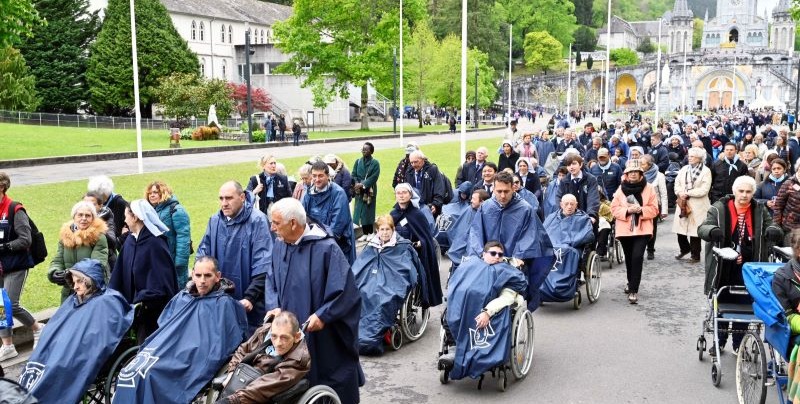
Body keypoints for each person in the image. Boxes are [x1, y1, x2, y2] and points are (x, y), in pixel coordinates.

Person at [266, 198, 364, 404]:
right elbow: (271, 279)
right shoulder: (279, 245)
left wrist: (323, 315)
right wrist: (274, 306)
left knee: (324, 376)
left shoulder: (326, 249)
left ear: (293, 223)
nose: (272, 228)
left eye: (276, 223)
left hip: (321, 333)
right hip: (288, 330)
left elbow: (346, 292)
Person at [111, 257, 248, 404]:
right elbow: (164, 327)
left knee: (149, 376)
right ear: (193, 274)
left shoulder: (224, 304)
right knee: (129, 372)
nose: (202, 280)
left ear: (218, 276)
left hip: (191, 358)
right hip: (165, 350)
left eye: (208, 275)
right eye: (198, 275)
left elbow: (222, 344)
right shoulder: (182, 297)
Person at [19, 259, 134, 403]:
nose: (75, 287)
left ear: (90, 280)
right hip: (59, 349)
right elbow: (55, 328)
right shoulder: (73, 300)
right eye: (73, 282)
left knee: (55, 370)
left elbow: (98, 338)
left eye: (79, 282)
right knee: (37, 362)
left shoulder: (108, 301)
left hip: (75, 355)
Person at [698, 176, 783, 354]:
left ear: (753, 193)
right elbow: (703, 228)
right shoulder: (719, 208)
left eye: (748, 192)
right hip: (724, 264)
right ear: (735, 191)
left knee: (744, 305)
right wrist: (713, 230)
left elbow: (772, 226)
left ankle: (739, 343)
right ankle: (719, 342)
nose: (744, 195)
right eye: (741, 191)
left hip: (749, 265)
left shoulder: (759, 209)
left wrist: (773, 231)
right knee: (721, 304)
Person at [441, 241, 527, 380]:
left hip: (490, 311)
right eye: (493, 253)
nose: (497, 257)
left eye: (500, 254)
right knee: (449, 314)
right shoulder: (472, 265)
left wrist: (487, 312)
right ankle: (454, 347)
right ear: (484, 254)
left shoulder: (506, 271)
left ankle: (466, 355)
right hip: (465, 306)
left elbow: (506, 298)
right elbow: (457, 284)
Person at [469, 171, 554, 311]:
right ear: (493, 189)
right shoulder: (486, 207)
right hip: (488, 261)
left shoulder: (525, 209)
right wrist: (480, 254)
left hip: (511, 264)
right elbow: (476, 234)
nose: (502, 195)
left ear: (513, 188)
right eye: (499, 191)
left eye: (506, 191)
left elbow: (530, 237)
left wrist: (518, 258)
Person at [197, 181, 272, 334]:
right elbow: (204, 255)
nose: (224, 203)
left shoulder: (257, 221)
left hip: (249, 304)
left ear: (242, 197)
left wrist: (250, 297)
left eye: (229, 198)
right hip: (218, 302)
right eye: (221, 198)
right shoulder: (215, 221)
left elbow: (264, 263)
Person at [352, 215, 425, 355]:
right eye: (382, 229)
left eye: (387, 229)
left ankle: (372, 338)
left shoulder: (403, 246)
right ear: (377, 231)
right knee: (357, 294)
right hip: (370, 281)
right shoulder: (371, 246)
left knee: (381, 298)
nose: (385, 232)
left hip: (392, 283)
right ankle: (359, 336)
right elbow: (358, 268)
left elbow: (406, 270)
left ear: (393, 230)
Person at [109, 200, 177, 344]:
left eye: (126, 215)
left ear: (135, 217)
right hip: (134, 311)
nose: (125, 219)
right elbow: (120, 272)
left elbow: (162, 283)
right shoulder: (130, 241)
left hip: (152, 314)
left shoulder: (155, 244)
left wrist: (142, 300)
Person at [217, 312, 310, 404]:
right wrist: (231, 372)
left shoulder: (299, 358)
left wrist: (234, 400)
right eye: (274, 336)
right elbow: (243, 350)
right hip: (244, 379)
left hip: (262, 390)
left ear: (297, 337)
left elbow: (266, 386)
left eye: (284, 338)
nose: (277, 343)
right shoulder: (264, 332)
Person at [0, 172, 44, 362]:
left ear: (2, 186)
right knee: (0, 307)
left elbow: (26, 239)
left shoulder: (15, 209)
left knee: (11, 304)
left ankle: (38, 328)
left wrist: (5, 246)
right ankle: (8, 345)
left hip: (16, 264)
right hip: (1, 266)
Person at [610, 160, 659, 304]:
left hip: (643, 229)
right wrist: (627, 210)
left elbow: (655, 209)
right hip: (625, 229)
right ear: (626, 174)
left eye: (635, 172)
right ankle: (630, 282)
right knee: (629, 258)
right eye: (630, 172)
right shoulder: (621, 189)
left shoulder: (649, 188)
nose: (632, 174)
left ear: (640, 174)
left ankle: (633, 290)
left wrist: (641, 210)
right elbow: (614, 209)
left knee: (637, 257)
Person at [391, 183, 442, 307]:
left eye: (404, 193)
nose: (401, 196)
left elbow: (426, 238)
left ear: (410, 195)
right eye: (399, 193)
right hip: (396, 252)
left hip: (414, 253)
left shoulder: (417, 214)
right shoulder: (392, 214)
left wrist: (420, 243)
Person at [47, 201, 110, 301]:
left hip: (91, 291)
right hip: (69, 292)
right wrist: (54, 272)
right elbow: (58, 259)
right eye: (80, 215)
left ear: (93, 218)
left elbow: (97, 265)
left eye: (88, 215)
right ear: (74, 217)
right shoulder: (65, 236)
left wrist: (70, 274)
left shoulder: (99, 237)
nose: (83, 218)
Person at [302, 160, 357, 264]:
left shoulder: (338, 194)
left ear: (328, 176)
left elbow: (336, 228)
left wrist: (320, 245)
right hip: (315, 244)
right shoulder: (308, 194)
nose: (317, 179)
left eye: (320, 176)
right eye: (314, 176)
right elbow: (302, 218)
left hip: (337, 245)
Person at [145, 181, 192, 287]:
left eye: (155, 192)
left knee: (176, 293)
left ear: (164, 193)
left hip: (173, 262)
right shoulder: (151, 211)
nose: (152, 195)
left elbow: (184, 238)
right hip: (159, 262)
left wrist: (179, 263)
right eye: (150, 193)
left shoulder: (176, 210)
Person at [674, 147, 713, 262]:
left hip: (698, 204)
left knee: (695, 231)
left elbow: (704, 189)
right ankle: (684, 249)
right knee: (679, 229)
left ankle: (695, 255)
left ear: (699, 158)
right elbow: (677, 183)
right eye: (689, 156)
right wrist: (680, 192)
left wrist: (688, 193)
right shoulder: (684, 169)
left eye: (692, 156)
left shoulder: (706, 171)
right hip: (683, 202)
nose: (689, 158)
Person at [555, 154, 600, 224]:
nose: (571, 167)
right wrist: (562, 213)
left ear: (581, 164)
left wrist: (591, 215)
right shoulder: (564, 181)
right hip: (568, 220)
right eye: (569, 165)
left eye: (574, 164)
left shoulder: (591, 179)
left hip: (587, 219)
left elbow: (593, 198)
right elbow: (559, 198)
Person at [640, 155, 668, 260]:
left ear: (649, 165)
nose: (640, 166)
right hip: (640, 205)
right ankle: (640, 249)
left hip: (654, 206)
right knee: (641, 228)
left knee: (652, 228)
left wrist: (664, 211)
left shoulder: (659, 176)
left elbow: (663, 194)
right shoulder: (638, 174)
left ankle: (650, 249)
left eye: (642, 164)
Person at [405, 150, 447, 217]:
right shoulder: (409, 172)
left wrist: (435, 205)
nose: (413, 165)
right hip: (413, 209)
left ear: (422, 159)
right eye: (411, 162)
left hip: (430, 209)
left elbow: (439, 189)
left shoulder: (432, 170)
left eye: (416, 162)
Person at [353, 142, 381, 241]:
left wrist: (364, 184)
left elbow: (374, 177)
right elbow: (354, 174)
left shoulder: (375, 163)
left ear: (371, 151)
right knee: (361, 212)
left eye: (366, 149)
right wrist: (356, 183)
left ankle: (371, 232)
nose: (364, 151)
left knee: (368, 211)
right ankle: (365, 233)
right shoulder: (358, 161)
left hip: (370, 191)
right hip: (359, 191)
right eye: (363, 149)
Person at [775, 164, 800, 247]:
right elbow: (778, 205)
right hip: (790, 228)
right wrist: (777, 226)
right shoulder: (789, 183)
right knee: (791, 256)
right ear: (797, 168)